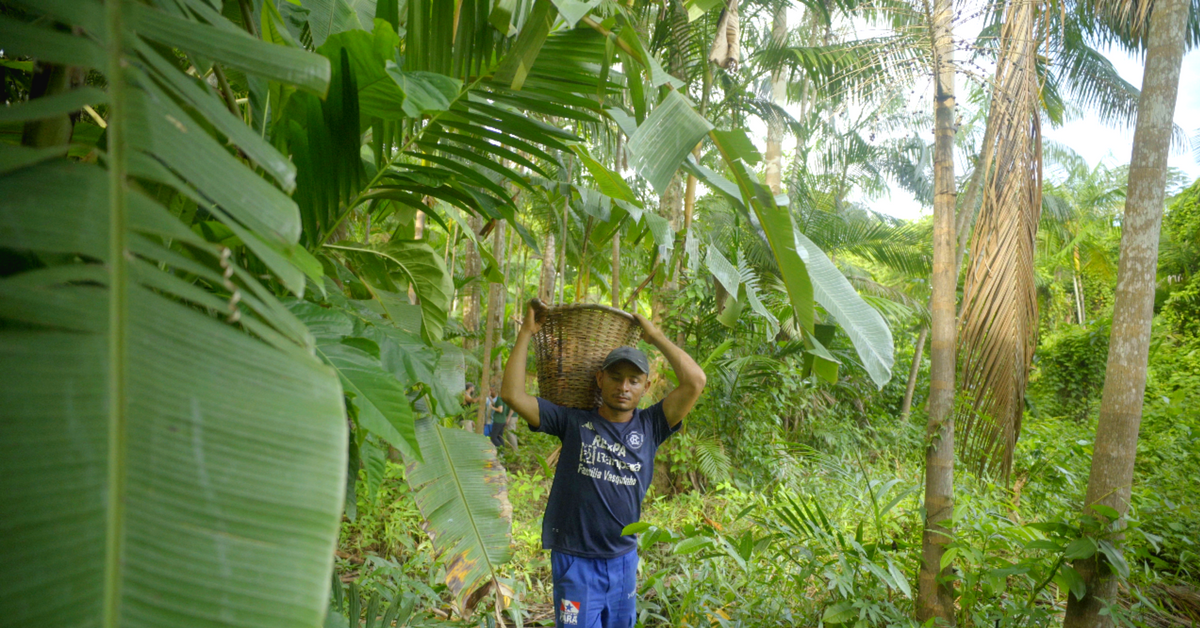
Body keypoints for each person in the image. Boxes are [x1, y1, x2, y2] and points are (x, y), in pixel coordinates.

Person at [501, 302, 706, 628]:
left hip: (623, 561)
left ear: (646, 387)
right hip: (576, 562)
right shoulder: (572, 422)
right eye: (616, 377)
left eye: (634, 381)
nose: (623, 387)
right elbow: (512, 395)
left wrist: (654, 335)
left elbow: (695, 381)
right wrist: (526, 332)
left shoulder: (652, 426)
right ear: (600, 378)